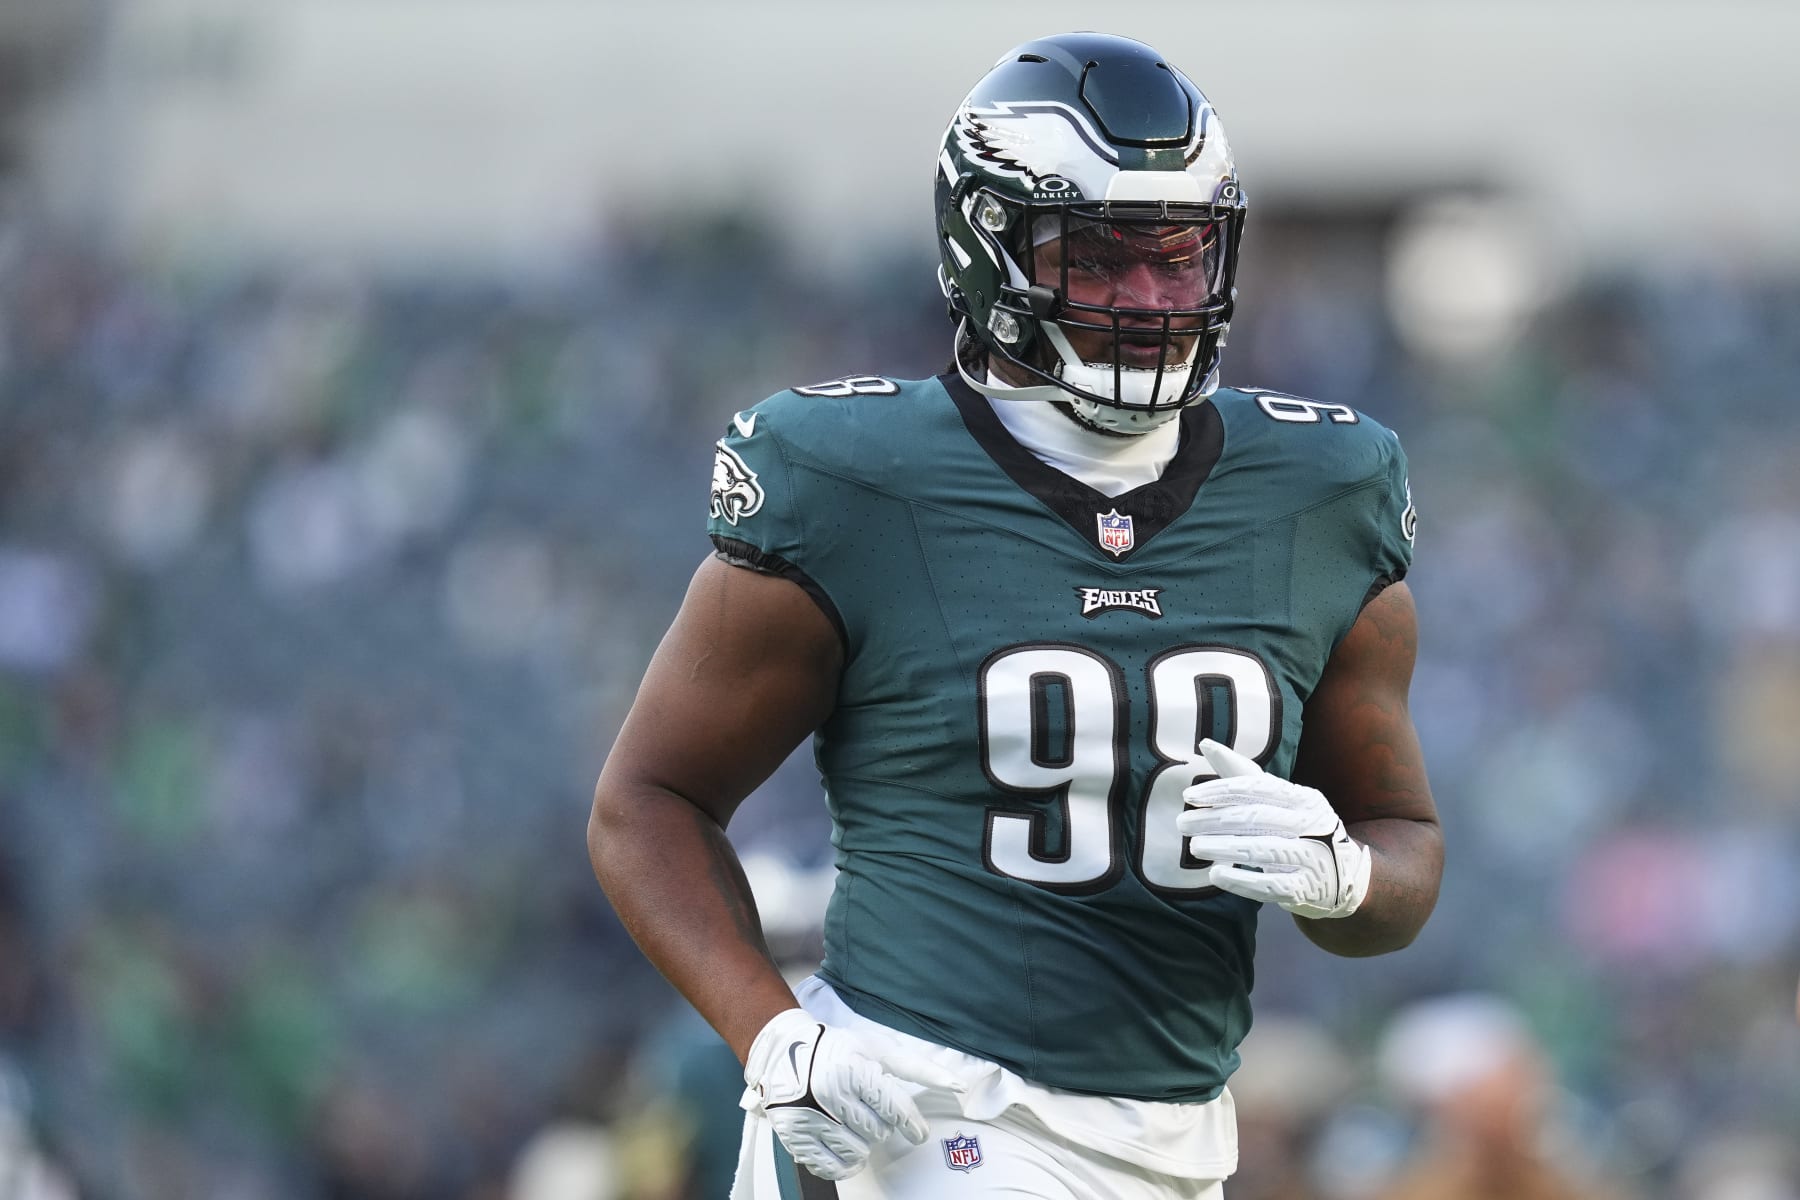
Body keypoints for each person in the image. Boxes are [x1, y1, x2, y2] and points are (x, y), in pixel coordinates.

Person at [590, 31, 1443, 1199]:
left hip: (1178, 1136)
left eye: (1180, 257)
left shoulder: (1322, 486)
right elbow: (649, 802)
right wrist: (772, 1034)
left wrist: (1341, 875)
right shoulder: (853, 475)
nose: (1151, 299)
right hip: (915, 1107)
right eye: (1098, 258)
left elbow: (1406, 850)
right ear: (984, 251)